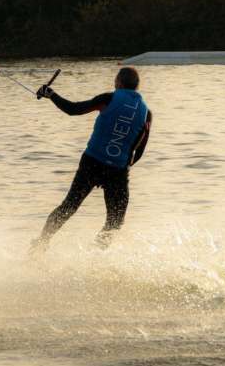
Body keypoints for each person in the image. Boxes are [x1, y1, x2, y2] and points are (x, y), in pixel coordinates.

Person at [31, 67, 152, 250]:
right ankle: (95, 253)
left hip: (92, 163)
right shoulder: (146, 113)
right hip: (118, 171)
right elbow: (139, 152)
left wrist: (51, 94)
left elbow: (73, 109)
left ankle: (41, 243)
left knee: (69, 206)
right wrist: (121, 167)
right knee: (115, 220)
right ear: (137, 86)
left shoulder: (108, 99)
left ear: (118, 82)